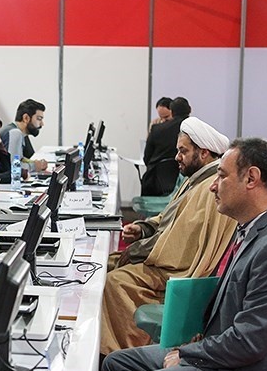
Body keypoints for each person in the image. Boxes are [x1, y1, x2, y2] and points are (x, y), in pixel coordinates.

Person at [103, 138, 267, 371]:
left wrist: (189, 354)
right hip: (223, 348)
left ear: (251, 178)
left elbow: (249, 343)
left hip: (240, 363)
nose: (213, 186)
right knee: (116, 362)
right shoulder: (263, 224)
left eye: (221, 176)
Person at [100, 117, 236, 355]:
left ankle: (122, 354)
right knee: (104, 264)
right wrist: (143, 228)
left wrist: (138, 250)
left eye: (183, 151)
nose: (177, 157)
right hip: (167, 261)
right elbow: (168, 218)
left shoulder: (208, 188)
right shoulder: (195, 180)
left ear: (204, 153)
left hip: (175, 272)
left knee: (114, 282)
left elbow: (178, 248)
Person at [141, 97, 191, 196]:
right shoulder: (194, 131)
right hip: (186, 184)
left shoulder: (156, 129)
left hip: (155, 183)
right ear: (190, 110)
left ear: (171, 112)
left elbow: (146, 158)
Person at [0, 98, 48, 172]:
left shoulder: (17, 132)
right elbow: (14, 167)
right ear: (26, 118)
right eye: (39, 119)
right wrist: (35, 166)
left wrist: (34, 163)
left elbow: (19, 159)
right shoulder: (15, 133)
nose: (42, 124)